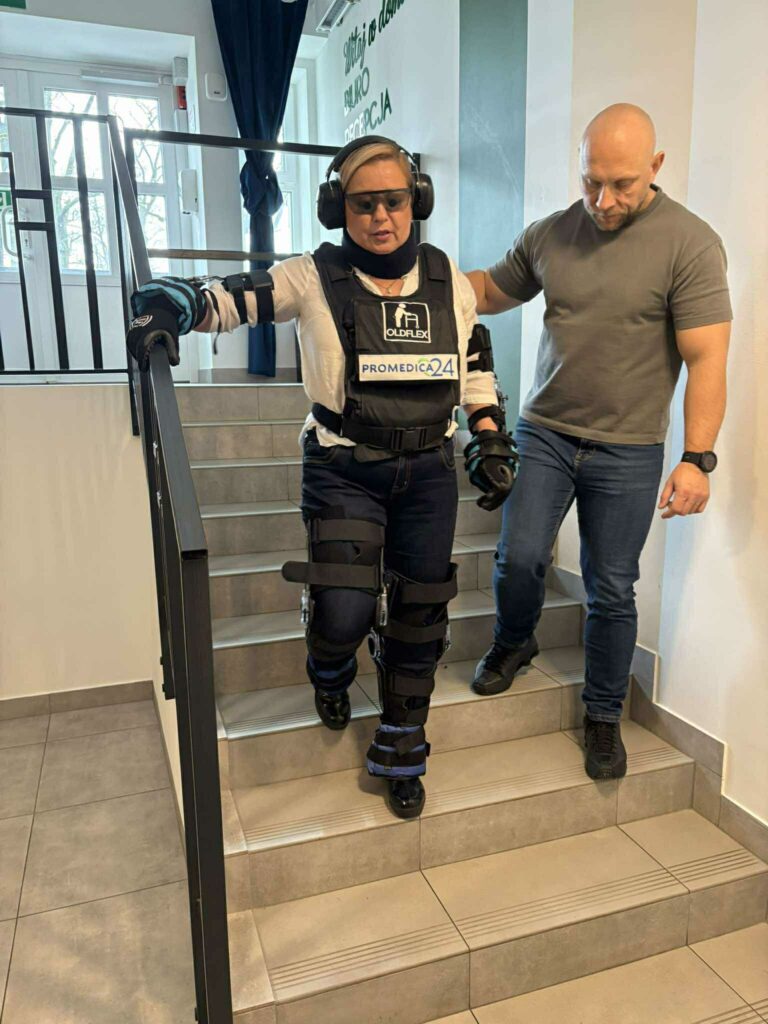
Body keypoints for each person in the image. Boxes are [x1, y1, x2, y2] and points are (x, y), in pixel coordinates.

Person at [126, 135, 518, 819]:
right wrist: (178, 303)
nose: (381, 217)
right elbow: (234, 299)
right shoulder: (311, 276)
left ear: (416, 201)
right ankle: (330, 667)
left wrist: (487, 435)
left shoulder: (448, 280)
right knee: (343, 613)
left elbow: (474, 362)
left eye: (394, 201)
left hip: (428, 472)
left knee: (420, 618)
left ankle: (402, 748)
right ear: (339, 209)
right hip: (344, 468)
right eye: (363, 204)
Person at [467, 103, 732, 781]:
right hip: (547, 432)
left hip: (629, 448)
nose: (603, 200)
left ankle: (604, 714)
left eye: (621, 184)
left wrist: (697, 459)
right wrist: (413, 278)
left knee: (612, 588)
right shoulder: (553, 233)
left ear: (656, 166)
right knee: (520, 557)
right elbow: (491, 289)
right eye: (591, 181)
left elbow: (706, 358)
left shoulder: (690, 243)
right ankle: (515, 642)